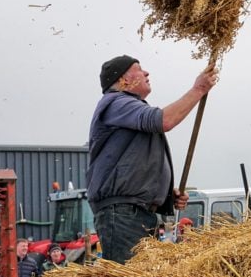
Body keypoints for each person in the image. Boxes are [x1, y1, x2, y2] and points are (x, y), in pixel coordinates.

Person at [86, 55, 218, 264]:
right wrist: (198, 90)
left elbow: (135, 167)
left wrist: (166, 195)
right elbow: (164, 120)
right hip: (123, 214)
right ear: (123, 80)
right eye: (139, 69)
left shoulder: (127, 109)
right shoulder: (116, 102)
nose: (146, 73)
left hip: (134, 213)